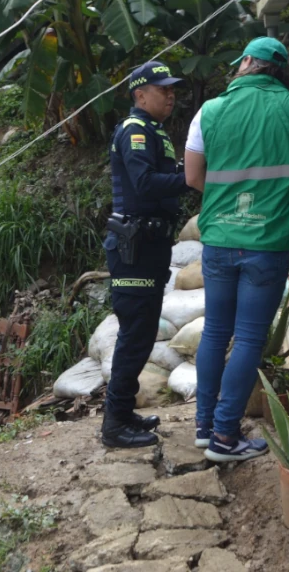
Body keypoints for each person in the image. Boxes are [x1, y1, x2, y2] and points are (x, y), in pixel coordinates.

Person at [183, 37, 289, 462]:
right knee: (247, 338)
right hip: (268, 243)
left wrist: (231, 199)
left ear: (245, 63)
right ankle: (226, 437)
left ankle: (206, 428)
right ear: (282, 70)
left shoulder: (210, 110)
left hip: (220, 240)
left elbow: (192, 177)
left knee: (214, 332)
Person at [102, 61, 191, 448]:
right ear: (140, 95)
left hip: (150, 246)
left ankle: (122, 414)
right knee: (134, 336)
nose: (170, 95)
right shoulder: (135, 130)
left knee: (141, 333)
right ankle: (113, 426)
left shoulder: (154, 131)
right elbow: (144, 184)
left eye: (172, 89)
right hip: (133, 250)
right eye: (162, 89)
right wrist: (191, 178)